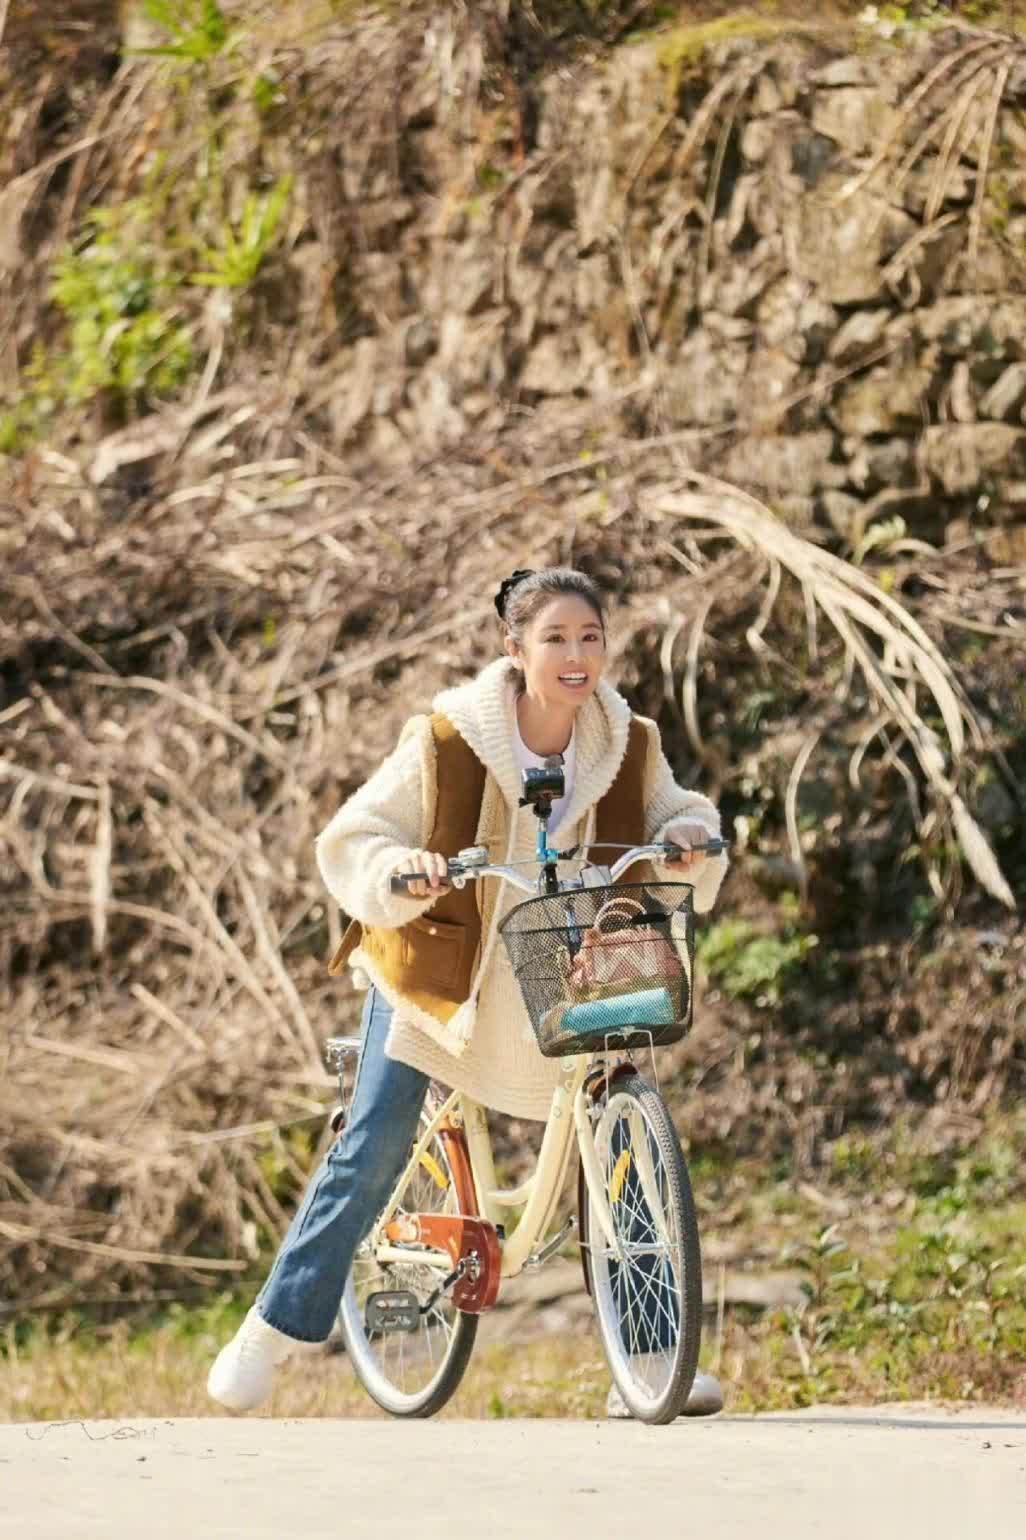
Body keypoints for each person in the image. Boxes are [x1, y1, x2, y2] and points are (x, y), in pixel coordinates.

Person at [208, 566, 729, 1417]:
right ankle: (267, 1331)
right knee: (378, 1140)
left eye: (590, 638)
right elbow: (358, 834)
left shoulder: (627, 740)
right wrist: (400, 869)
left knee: (623, 1131)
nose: (575, 655)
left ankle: (647, 1357)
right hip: (443, 967)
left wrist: (689, 837)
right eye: (555, 639)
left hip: (565, 958)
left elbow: (677, 812)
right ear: (513, 648)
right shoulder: (449, 738)